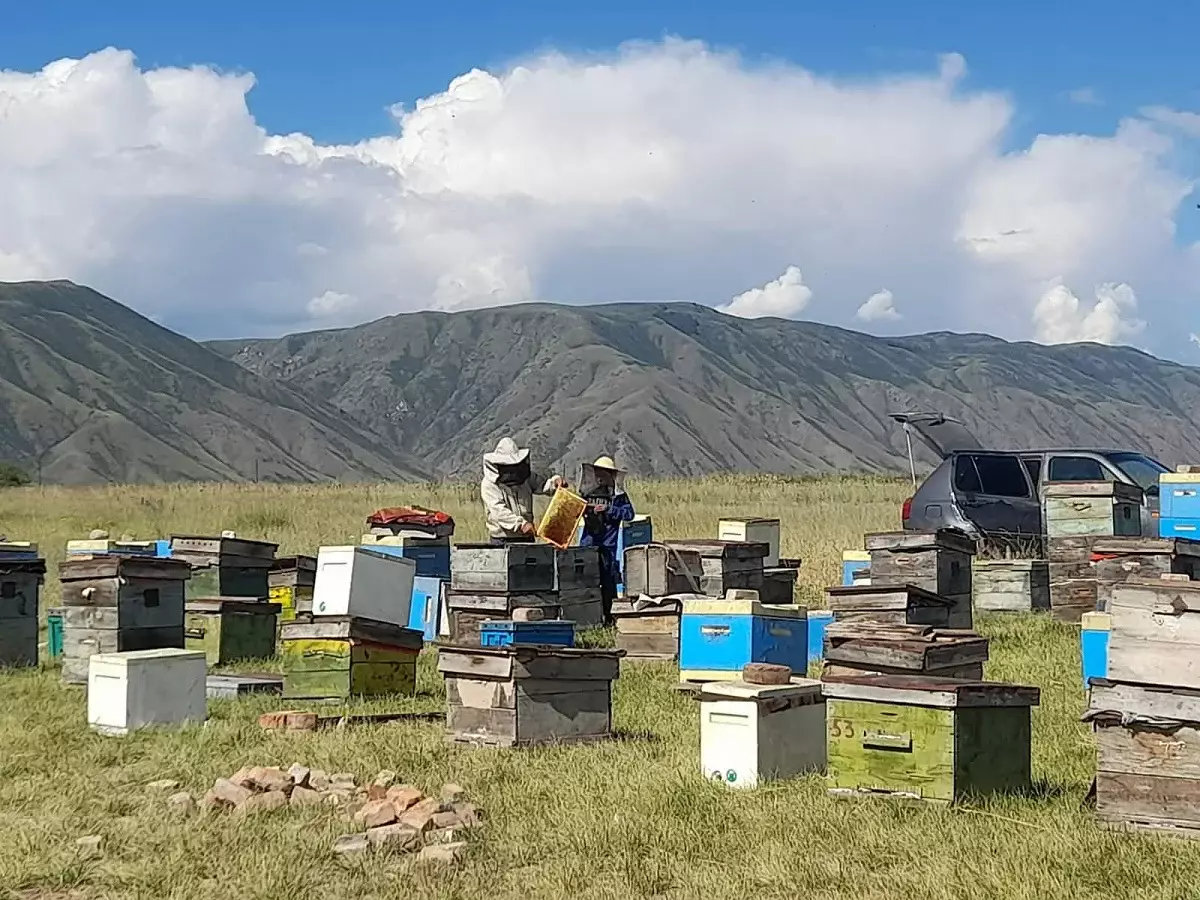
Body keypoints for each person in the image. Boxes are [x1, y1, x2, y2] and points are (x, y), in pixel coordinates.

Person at [578, 455, 635, 624]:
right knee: (586, 583)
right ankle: (588, 620)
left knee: (608, 584)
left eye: (604, 473)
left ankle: (609, 620)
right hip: (588, 544)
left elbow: (629, 514)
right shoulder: (587, 493)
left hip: (608, 547)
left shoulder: (619, 496)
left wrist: (609, 510)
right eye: (598, 473)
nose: (600, 476)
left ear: (612, 475)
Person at [480, 437, 566, 544]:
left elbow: (542, 485)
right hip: (503, 539)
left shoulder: (524, 476)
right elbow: (499, 512)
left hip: (526, 537)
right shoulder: (489, 484)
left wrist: (554, 483)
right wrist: (521, 524)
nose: (512, 470)